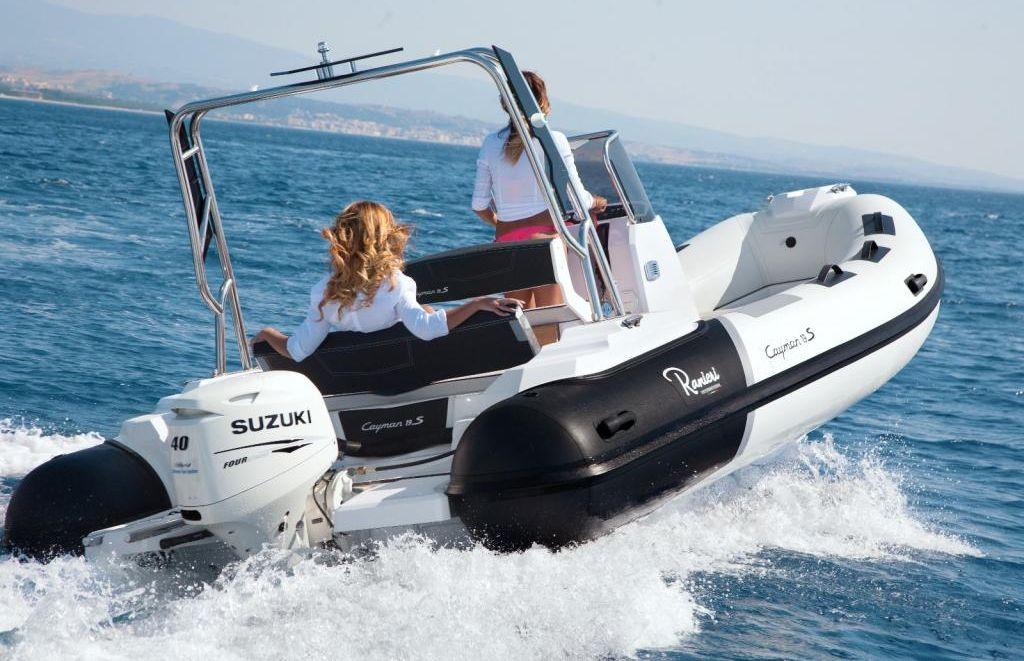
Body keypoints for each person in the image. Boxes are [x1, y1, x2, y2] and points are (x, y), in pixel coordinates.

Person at [254, 200, 522, 361]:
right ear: (385, 237)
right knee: (427, 310)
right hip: (400, 369)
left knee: (425, 309)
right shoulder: (396, 284)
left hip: (351, 378)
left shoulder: (324, 292)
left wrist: (267, 334)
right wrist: (477, 303)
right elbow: (427, 329)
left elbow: (299, 350)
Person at [470, 71, 605, 344]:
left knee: (522, 325)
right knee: (549, 323)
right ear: (543, 102)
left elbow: (479, 205)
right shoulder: (553, 140)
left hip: (506, 244)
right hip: (543, 244)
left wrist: (505, 224)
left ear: (506, 103)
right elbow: (578, 199)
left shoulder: (490, 143)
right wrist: (596, 202)